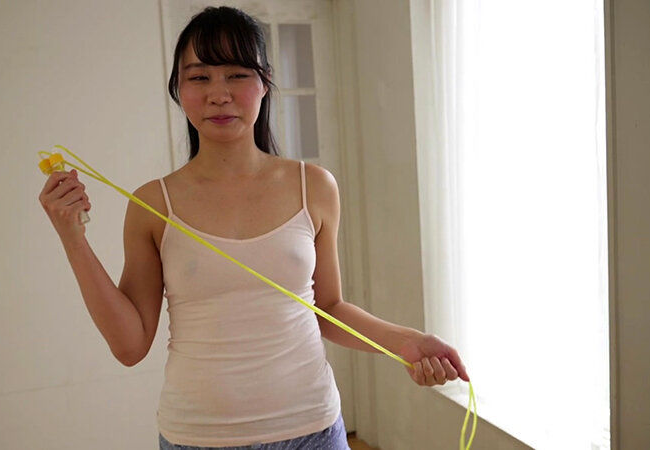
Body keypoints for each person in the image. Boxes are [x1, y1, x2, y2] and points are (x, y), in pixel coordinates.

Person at [39, 6, 469, 450]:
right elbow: (130, 347)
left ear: (265, 82)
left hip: (314, 430)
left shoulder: (314, 187)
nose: (219, 94)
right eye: (199, 77)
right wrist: (73, 239)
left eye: (237, 75)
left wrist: (408, 343)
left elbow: (329, 307)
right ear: (179, 89)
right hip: (197, 437)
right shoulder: (152, 204)